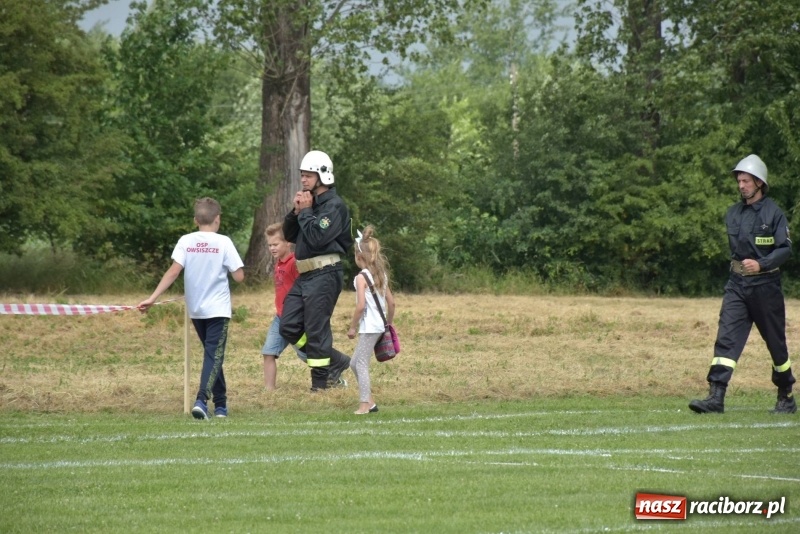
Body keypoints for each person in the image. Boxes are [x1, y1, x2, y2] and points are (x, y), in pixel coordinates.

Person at [689, 154, 796, 415]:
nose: (741, 185)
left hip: (766, 286)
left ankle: (786, 397)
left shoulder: (774, 213)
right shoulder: (733, 213)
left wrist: (762, 264)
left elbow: (785, 249)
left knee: (775, 344)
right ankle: (716, 397)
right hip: (736, 285)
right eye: (739, 181)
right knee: (726, 339)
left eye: (746, 181)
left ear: (759, 182)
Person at [138, 198, 245, 420]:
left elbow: (173, 272)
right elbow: (239, 276)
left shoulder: (186, 241)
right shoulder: (224, 242)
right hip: (217, 309)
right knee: (213, 356)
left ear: (196, 220)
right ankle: (201, 401)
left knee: (212, 355)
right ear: (218, 219)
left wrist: (152, 298)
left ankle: (222, 404)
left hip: (196, 309)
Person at [280, 150, 353, 391]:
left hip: (324, 272)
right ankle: (336, 360)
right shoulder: (309, 205)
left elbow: (316, 238)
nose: (303, 180)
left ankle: (320, 386)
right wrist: (296, 211)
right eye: (302, 175)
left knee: (316, 329)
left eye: (308, 175)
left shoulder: (334, 207)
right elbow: (289, 235)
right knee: (288, 325)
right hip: (306, 275)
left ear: (323, 176)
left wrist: (307, 212)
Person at [347, 226, 395, 415]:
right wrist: (388, 324)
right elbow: (391, 303)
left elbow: (360, 307)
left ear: (359, 257)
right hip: (379, 325)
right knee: (353, 363)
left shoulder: (361, 277)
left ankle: (364, 405)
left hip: (369, 327)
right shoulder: (380, 275)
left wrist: (352, 327)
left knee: (360, 364)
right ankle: (371, 402)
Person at [261, 223, 307, 390]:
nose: (272, 248)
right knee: (268, 352)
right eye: (270, 245)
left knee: (309, 356)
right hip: (280, 318)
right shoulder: (278, 263)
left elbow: (305, 290)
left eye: (275, 244)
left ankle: (334, 376)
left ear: (288, 243)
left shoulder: (295, 263)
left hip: (296, 321)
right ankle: (269, 391)